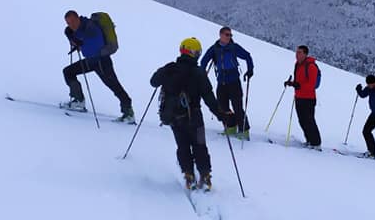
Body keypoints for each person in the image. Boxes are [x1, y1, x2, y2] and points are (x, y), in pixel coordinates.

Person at [151, 37, 228, 191]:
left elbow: (153, 82)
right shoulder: (198, 72)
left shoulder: (170, 69)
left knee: (182, 146)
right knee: (200, 145)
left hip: (174, 118)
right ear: (194, 53)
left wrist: (164, 71)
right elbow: (209, 97)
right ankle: (205, 175)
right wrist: (222, 116)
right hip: (195, 118)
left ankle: (188, 174)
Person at [61, 10, 134, 121]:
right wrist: (71, 36)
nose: (71, 25)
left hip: (102, 62)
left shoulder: (91, 27)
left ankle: (128, 113)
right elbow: (80, 42)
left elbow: (92, 49)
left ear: (77, 18)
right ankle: (78, 100)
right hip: (92, 61)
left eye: (72, 21)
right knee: (68, 71)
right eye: (68, 23)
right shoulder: (81, 27)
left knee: (114, 86)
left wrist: (79, 43)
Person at [200, 26, 254, 140]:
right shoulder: (214, 49)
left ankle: (244, 130)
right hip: (221, 81)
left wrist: (250, 70)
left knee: (237, 106)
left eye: (230, 35)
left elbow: (247, 56)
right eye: (227, 34)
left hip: (234, 81)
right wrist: (202, 71)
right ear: (220, 35)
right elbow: (204, 60)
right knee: (222, 106)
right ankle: (231, 126)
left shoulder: (233, 47)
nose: (229, 37)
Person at [284, 45, 321, 150]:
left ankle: (316, 143)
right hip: (299, 97)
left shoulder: (311, 66)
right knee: (302, 120)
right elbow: (299, 81)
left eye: (300, 52)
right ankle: (309, 140)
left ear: (305, 54)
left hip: (309, 98)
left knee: (309, 120)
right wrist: (291, 83)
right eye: (297, 52)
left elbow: (311, 84)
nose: (297, 54)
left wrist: (298, 85)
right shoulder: (298, 64)